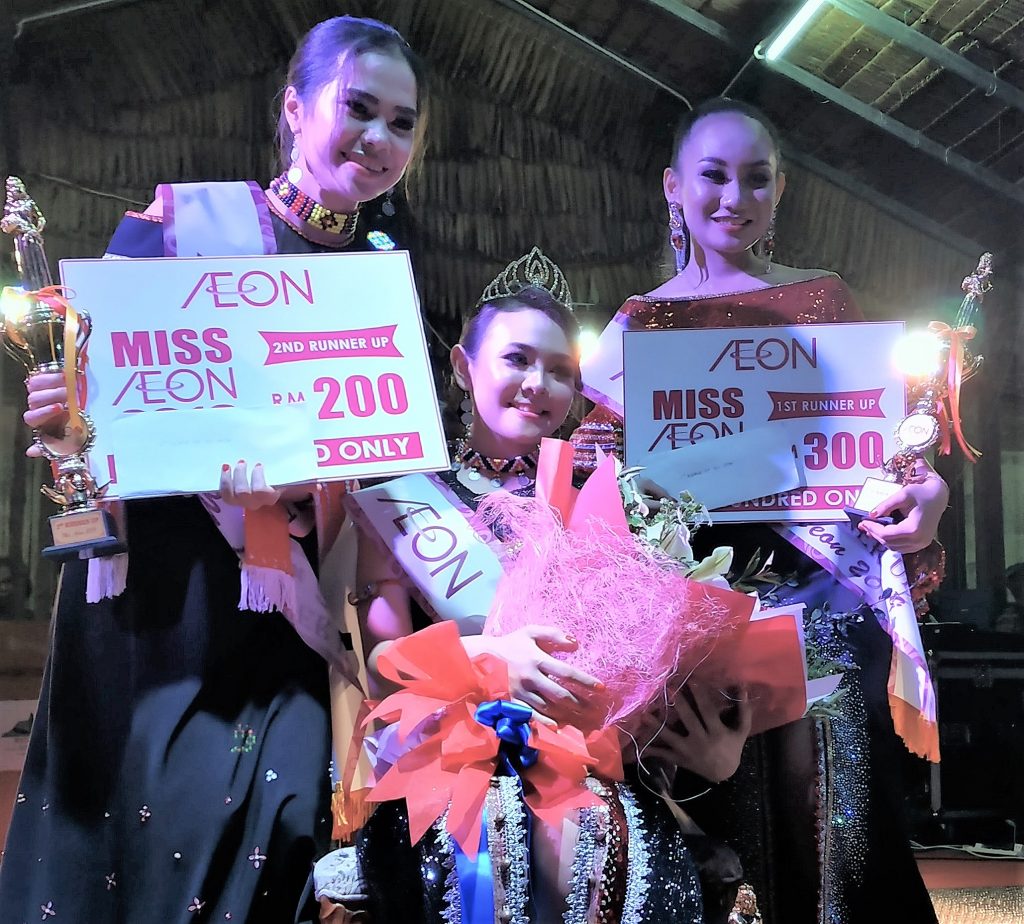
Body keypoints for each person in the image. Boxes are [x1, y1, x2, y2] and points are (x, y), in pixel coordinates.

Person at [0, 16, 427, 923]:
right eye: (358, 108)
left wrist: (308, 489)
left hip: (287, 613)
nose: (380, 138)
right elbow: (97, 407)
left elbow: (382, 469)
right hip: (168, 603)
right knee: (158, 846)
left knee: (281, 834)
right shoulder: (185, 228)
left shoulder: (380, 283)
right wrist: (67, 414)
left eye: (402, 122)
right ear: (294, 108)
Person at [572, 98, 947, 923]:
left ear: (780, 190)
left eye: (756, 178)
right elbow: (595, 488)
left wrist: (924, 497)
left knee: (837, 829)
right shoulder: (638, 326)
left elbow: (881, 453)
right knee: (732, 840)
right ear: (673, 187)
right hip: (704, 627)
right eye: (712, 175)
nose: (733, 197)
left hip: (826, 607)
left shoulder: (825, 301)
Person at [339, 253, 745, 923]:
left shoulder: (606, 501)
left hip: (591, 760)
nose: (538, 384)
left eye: (560, 371)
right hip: (455, 759)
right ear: (463, 367)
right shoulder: (407, 498)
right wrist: (488, 657)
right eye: (517, 360)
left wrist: (711, 745)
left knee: (622, 850)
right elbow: (383, 664)